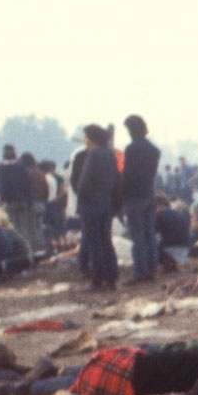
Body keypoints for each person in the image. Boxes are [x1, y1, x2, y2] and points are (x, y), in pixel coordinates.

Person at [74, 125, 121, 292]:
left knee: (94, 243)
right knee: (106, 241)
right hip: (106, 203)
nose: (84, 139)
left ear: (91, 138)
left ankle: (97, 280)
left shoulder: (93, 154)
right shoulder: (110, 153)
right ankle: (112, 278)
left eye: (85, 136)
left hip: (91, 203)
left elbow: (84, 182)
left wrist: (80, 202)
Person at [122, 115, 163, 283]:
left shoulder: (131, 149)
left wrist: (121, 193)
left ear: (131, 130)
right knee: (149, 234)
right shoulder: (154, 150)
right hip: (148, 194)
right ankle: (152, 269)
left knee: (137, 235)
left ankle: (140, 272)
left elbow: (128, 175)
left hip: (134, 196)